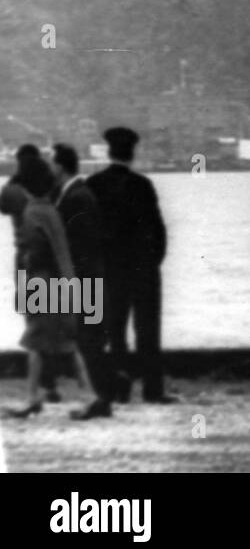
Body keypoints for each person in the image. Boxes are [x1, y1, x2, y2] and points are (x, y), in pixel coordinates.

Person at [85, 127, 175, 404]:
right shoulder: (142, 185)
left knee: (115, 332)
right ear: (132, 153)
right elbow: (158, 230)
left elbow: (88, 230)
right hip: (143, 269)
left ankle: (118, 389)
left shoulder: (93, 184)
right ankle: (152, 390)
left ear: (109, 152)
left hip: (110, 270)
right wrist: (153, 262)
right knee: (148, 331)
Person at [3, 158, 92, 419]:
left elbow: (32, 254)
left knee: (36, 343)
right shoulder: (51, 210)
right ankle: (82, 395)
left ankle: (36, 398)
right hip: (61, 285)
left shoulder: (32, 213)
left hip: (43, 286)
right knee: (59, 344)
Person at [52, 144, 115, 420]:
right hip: (89, 277)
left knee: (89, 340)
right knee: (90, 340)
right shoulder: (78, 194)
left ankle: (100, 399)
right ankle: (102, 397)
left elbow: (78, 244)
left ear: (60, 166)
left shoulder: (76, 197)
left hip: (83, 280)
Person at [1, 146, 63, 401]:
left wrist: (15, 178)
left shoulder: (14, 190)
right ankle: (53, 378)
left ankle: (44, 381)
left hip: (25, 259)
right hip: (52, 259)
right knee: (54, 317)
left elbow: (3, 205)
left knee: (33, 318)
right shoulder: (50, 189)